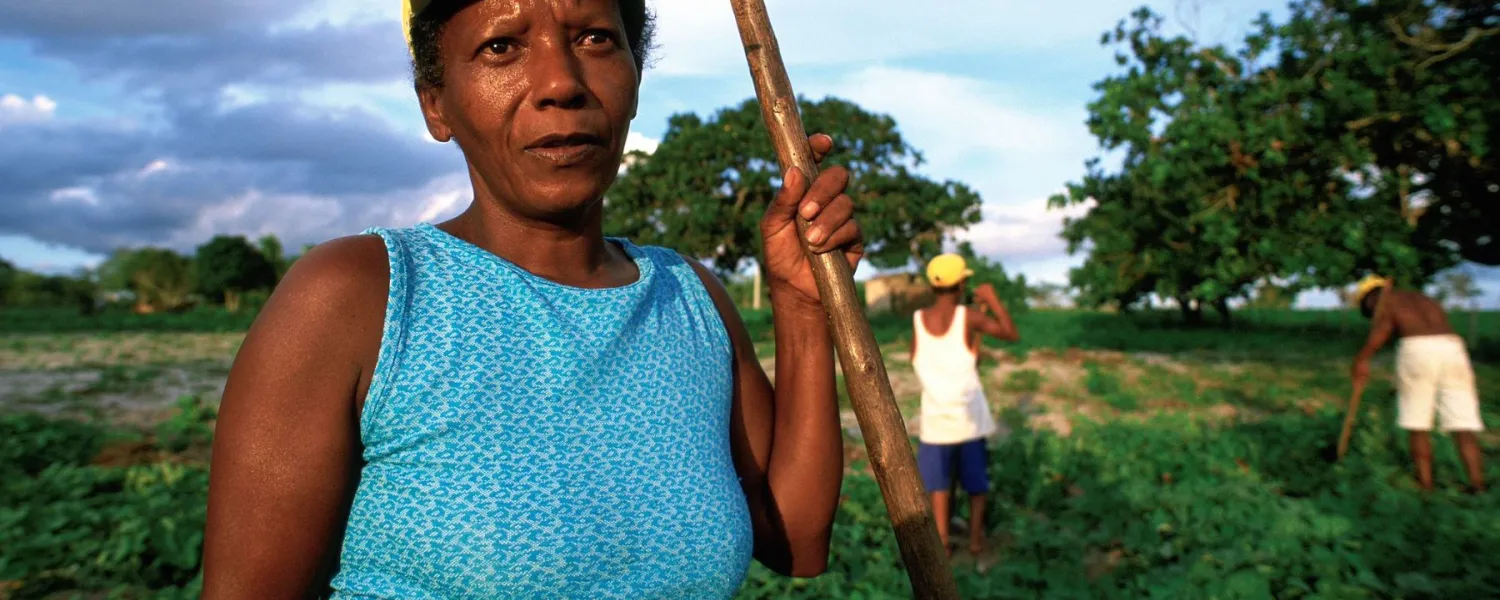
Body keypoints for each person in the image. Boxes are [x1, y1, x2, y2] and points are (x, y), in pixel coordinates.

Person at [201, 0, 867, 597]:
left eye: (596, 38)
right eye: (502, 47)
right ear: (436, 103)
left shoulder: (689, 299)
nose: (561, 84)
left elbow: (795, 542)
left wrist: (803, 307)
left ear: (636, 75)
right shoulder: (358, 298)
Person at [909, 254, 1019, 557]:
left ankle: (942, 542)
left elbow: (928, 359)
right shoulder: (969, 318)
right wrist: (993, 301)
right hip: (970, 419)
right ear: (962, 284)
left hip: (936, 420)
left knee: (940, 486)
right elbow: (1011, 334)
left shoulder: (919, 320)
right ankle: (975, 542)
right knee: (976, 484)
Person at [1351, 275, 1485, 493]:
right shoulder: (1423, 298)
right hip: (1453, 349)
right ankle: (1478, 485)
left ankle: (1426, 486)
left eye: (1367, 306)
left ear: (1370, 298)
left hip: (1417, 351)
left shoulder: (1386, 302)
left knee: (1418, 423)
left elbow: (1382, 331)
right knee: (1463, 424)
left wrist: (1362, 359)